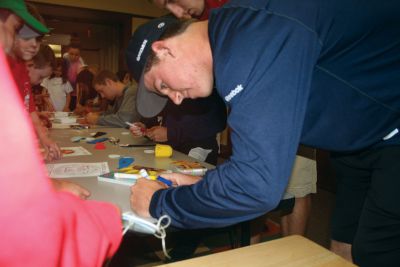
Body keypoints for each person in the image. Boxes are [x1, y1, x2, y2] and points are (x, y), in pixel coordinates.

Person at [127, 2, 400, 265]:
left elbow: (255, 187)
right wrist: (205, 183)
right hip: (361, 136)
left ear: (164, 49)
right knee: (343, 241)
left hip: (391, 130)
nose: (175, 99)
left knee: (375, 252)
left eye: (163, 85)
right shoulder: (232, 39)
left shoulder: (251, 36)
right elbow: (258, 157)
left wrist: (159, 204)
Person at [150, 0, 317, 239]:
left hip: (295, 106)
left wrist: (160, 204)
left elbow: (253, 186)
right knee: (253, 180)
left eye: (171, 0)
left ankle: (295, 252)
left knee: (295, 187)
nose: (177, 12)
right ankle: (255, 248)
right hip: (256, 112)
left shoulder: (238, 16)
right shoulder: (202, 28)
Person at [0, 3, 122, 266]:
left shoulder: (14, 64)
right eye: (19, 30)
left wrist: (42, 139)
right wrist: (49, 186)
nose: (31, 44)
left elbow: (27, 109)